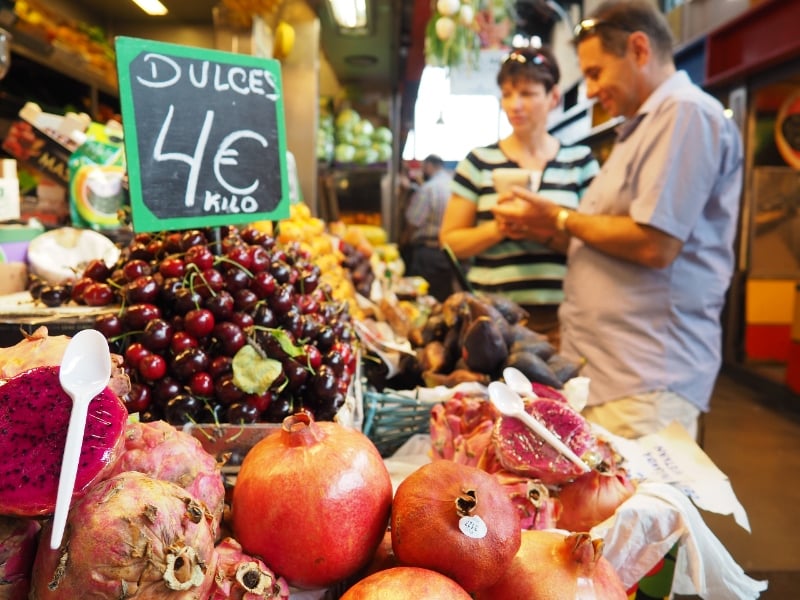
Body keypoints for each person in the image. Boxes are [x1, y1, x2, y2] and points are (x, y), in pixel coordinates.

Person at [491, 0, 744, 439]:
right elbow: (609, 240)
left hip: (644, 378)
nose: (589, 92)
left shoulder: (685, 114)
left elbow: (655, 244)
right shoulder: (642, 127)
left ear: (639, 50)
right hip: (612, 373)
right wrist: (548, 229)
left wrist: (562, 218)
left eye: (594, 73)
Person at [439, 45, 598, 343]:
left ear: (553, 97)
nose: (515, 104)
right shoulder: (478, 162)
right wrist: (499, 228)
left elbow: (594, 242)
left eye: (527, 93)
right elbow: (450, 242)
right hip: (488, 320)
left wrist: (543, 229)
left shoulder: (581, 162)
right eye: (508, 94)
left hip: (564, 318)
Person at [404, 154, 456, 302]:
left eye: (423, 167)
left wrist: (403, 242)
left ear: (429, 166)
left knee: (424, 301)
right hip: (448, 253)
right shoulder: (453, 185)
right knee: (443, 298)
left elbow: (414, 222)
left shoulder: (429, 189)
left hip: (428, 255)